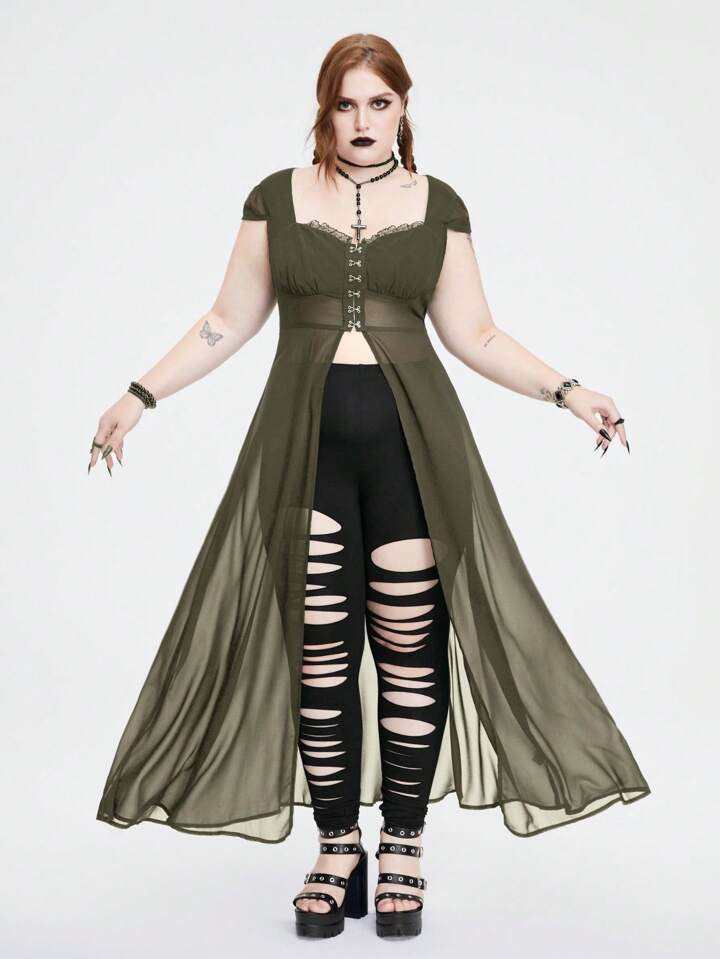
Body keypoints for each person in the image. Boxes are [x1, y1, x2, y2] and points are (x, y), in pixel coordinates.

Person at [93, 34, 650, 940]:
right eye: (345, 104)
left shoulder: (440, 204)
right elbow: (227, 318)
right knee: (319, 661)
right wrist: (140, 395)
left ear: (403, 107)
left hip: (413, 451)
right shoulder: (275, 198)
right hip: (303, 450)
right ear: (325, 109)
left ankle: (403, 844)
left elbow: (476, 333)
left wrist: (568, 390)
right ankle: (336, 845)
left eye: (378, 103)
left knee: (407, 653)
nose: (362, 122)